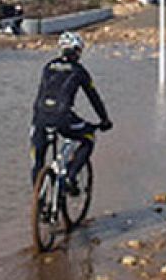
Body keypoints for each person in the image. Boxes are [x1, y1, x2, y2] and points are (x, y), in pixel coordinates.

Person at [29, 31, 111, 186]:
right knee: (88, 139)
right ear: (77, 51)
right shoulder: (79, 71)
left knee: (37, 161)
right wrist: (104, 119)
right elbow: (94, 97)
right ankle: (71, 176)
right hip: (63, 117)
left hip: (39, 117)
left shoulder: (48, 67)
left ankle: (38, 202)